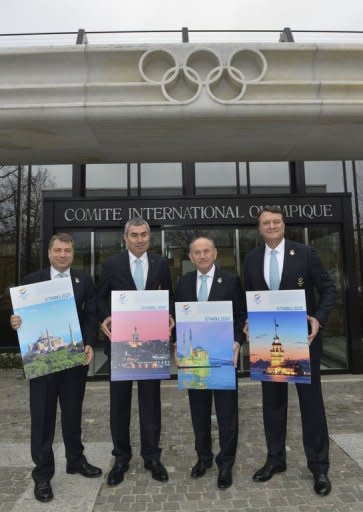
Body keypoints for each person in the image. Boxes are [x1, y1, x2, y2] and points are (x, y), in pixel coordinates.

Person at [244, 206, 336, 497]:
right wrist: (247, 321)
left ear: (283, 225)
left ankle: (319, 467)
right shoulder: (251, 259)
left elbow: (329, 289)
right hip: (266, 339)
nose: (271, 226)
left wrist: (318, 319)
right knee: (272, 404)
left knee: (311, 405)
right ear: (260, 228)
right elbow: (249, 297)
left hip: (302, 341)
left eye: (276, 221)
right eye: (265, 223)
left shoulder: (305, 253)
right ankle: (275, 459)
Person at [10, 232, 102, 503]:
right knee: (42, 418)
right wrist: (15, 322)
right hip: (42, 364)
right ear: (49, 253)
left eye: (68, 251)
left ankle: (75, 460)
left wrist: (88, 343)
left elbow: (91, 314)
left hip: (74, 362)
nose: (63, 255)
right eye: (58, 250)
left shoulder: (83, 280)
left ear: (73, 254)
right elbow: (21, 320)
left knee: (73, 414)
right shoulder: (31, 282)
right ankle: (42, 475)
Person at [97, 217, 173, 486]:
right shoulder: (111, 264)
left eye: (144, 235)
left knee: (150, 403)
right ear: (125, 238)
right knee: (119, 404)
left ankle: (152, 457)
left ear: (149, 237)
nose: (139, 239)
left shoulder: (162, 264)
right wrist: (105, 316)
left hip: (151, 343)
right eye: (134, 235)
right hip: (121, 345)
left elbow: (169, 297)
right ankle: (121, 458)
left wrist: (171, 316)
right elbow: (99, 297)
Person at [175, 236, 245, 490]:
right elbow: (178, 318)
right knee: (199, 411)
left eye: (206, 251)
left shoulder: (231, 281)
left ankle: (226, 462)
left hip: (224, 357)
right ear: (191, 257)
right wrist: (177, 344)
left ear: (215, 253)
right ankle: (203, 457)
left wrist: (238, 341)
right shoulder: (183, 282)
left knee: (227, 413)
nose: (202, 256)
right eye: (197, 252)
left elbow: (240, 316)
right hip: (194, 360)